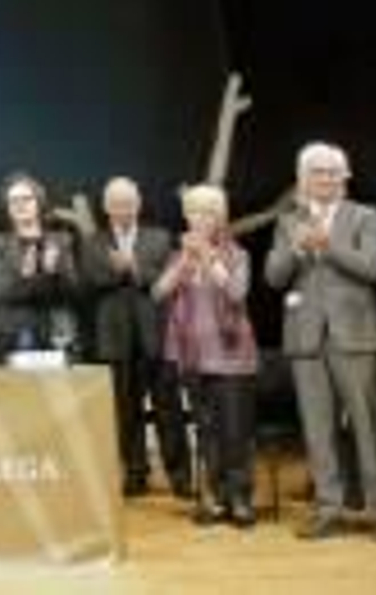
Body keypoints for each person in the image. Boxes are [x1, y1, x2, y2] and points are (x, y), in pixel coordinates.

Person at [264, 143, 376, 546]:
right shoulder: (288, 221)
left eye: (331, 172)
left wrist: (327, 244)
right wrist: (296, 247)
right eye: (316, 172)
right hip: (305, 336)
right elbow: (274, 278)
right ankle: (329, 508)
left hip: (354, 334)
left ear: (345, 176)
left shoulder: (364, 215)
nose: (324, 179)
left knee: (367, 426)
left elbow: (372, 268)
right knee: (318, 429)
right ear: (302, 179)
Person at [154, 184, 258, 528]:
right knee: (207, 431)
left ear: (221, 217)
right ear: (187, 216)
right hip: (193, 358)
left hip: (230, 358)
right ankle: (214, 498)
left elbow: (236, 292)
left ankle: (240, 498)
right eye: (195, 211)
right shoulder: (179, 256)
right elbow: (159, 291)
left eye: (209, 212)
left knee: (235, 432)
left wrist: (210, 257)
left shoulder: (237, 254)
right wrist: (186, 260)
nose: (201, 219)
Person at [80, 176, 188, 498]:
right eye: (115, 204)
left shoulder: (159, 237)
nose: (122, 210)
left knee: (169, 409)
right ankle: (136, 473)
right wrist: (118, 271)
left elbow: (167, 280)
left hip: (157, 335)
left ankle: (180, 476)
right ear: (105, 207)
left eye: (128, 203)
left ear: (138, 204)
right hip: (115, 339)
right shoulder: (93, 241)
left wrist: (134, 267)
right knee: (126, 412)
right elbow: (91, 281)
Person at [0, 172, 81, 355]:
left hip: (58, 330)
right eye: (14, 201)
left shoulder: (62, 240)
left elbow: (74, 292)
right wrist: (25, 277)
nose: (20, 205)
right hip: (14, 332)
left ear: (39, 202)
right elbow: (0, 292)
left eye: (26, 199)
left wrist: (53, 273)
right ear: (7, 207)